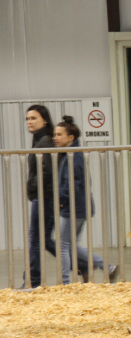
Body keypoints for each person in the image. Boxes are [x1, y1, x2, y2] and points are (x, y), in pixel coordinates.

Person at [54, 116, 118, 284]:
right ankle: (108, 267)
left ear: (70, 137)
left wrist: (63, 200)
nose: (55, 138)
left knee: (63, 245)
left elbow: (73, 182)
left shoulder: (73, 155)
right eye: (55, 134)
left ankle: (65, 282)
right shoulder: (72, 153)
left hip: (74, 207)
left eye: (59, 134)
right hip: (79, 206)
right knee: (71, 245)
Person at [24, 105, 58, 288]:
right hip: (42, 196)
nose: (29, 122)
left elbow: (45, 171)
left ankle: (33, 281)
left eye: (33, 118)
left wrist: (31, 186)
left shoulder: (45, 141)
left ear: (44, 120)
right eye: (27, 119)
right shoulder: (40, 139)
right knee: (42, 239)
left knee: (36, 240)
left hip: (44, 197)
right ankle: (85, 264)